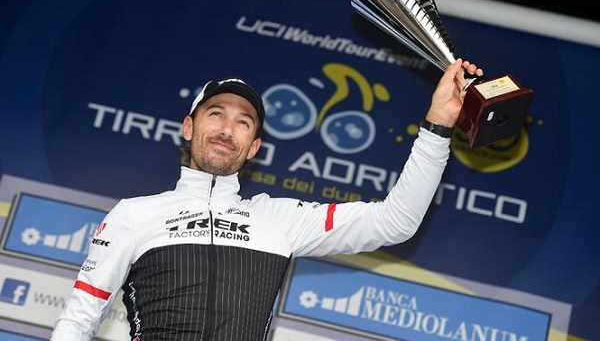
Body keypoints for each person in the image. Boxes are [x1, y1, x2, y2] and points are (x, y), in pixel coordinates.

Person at [50, 59, 483, 341]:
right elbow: (78, 318)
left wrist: (438, 124)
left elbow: (396, 221)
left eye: (243, 122)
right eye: (215, 113)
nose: (226, 128)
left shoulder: (279, 219)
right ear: (188, 127)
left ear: (253, 147)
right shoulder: (134, 215)